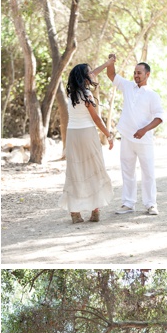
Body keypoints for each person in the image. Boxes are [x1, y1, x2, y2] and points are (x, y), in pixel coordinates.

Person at [104, 54, 164, 216]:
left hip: (144, 140)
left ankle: (151, 204)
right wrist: (111, 62)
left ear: (147, 75)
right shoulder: (128, 86)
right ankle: (128, 203)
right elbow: (111, 75)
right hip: (126, 138)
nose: (136, 75)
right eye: (135, 72)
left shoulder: (152, 94)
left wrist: (144, 129)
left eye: (139, 73)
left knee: (148, 172)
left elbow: (159, 117)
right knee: (127, 171)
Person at [59, 59, 115, 223]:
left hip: (72, 136)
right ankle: (95, 211)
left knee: (75, 171)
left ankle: (75, 213)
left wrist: (107, 63)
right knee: (93, 169)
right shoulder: (87, 94)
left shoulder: (72, 94)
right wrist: (108, 134)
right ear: (85, 77)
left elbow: (93, 73)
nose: (92, 75)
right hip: (87, 134)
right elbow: (96, 118)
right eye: (89, 73)